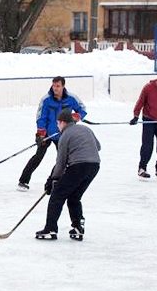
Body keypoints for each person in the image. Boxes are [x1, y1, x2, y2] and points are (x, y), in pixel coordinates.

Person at [35, 109, 101, 241]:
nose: (58, 126)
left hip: (78, 166)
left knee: (57, 196)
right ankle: (77, 228)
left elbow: (60, 163)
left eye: (58, 123)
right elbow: (98, 147)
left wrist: (52, 180)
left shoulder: (64, 136)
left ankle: (50, 229)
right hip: (94, 165)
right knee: (74, 196)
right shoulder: (85, 129)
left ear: (63, 122)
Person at [17, 76, 87, 191]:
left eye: (58, 86)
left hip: (64, 134)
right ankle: (23, 181)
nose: (55, 88)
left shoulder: (71, 98)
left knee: (63, 159)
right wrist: (40, 133)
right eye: (54, 85)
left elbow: (82, 109)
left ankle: (54, 181)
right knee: (38, 156)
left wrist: (75, 117)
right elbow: (41, 117)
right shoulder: (46, 99)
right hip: (47, 133)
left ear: (63, 86)